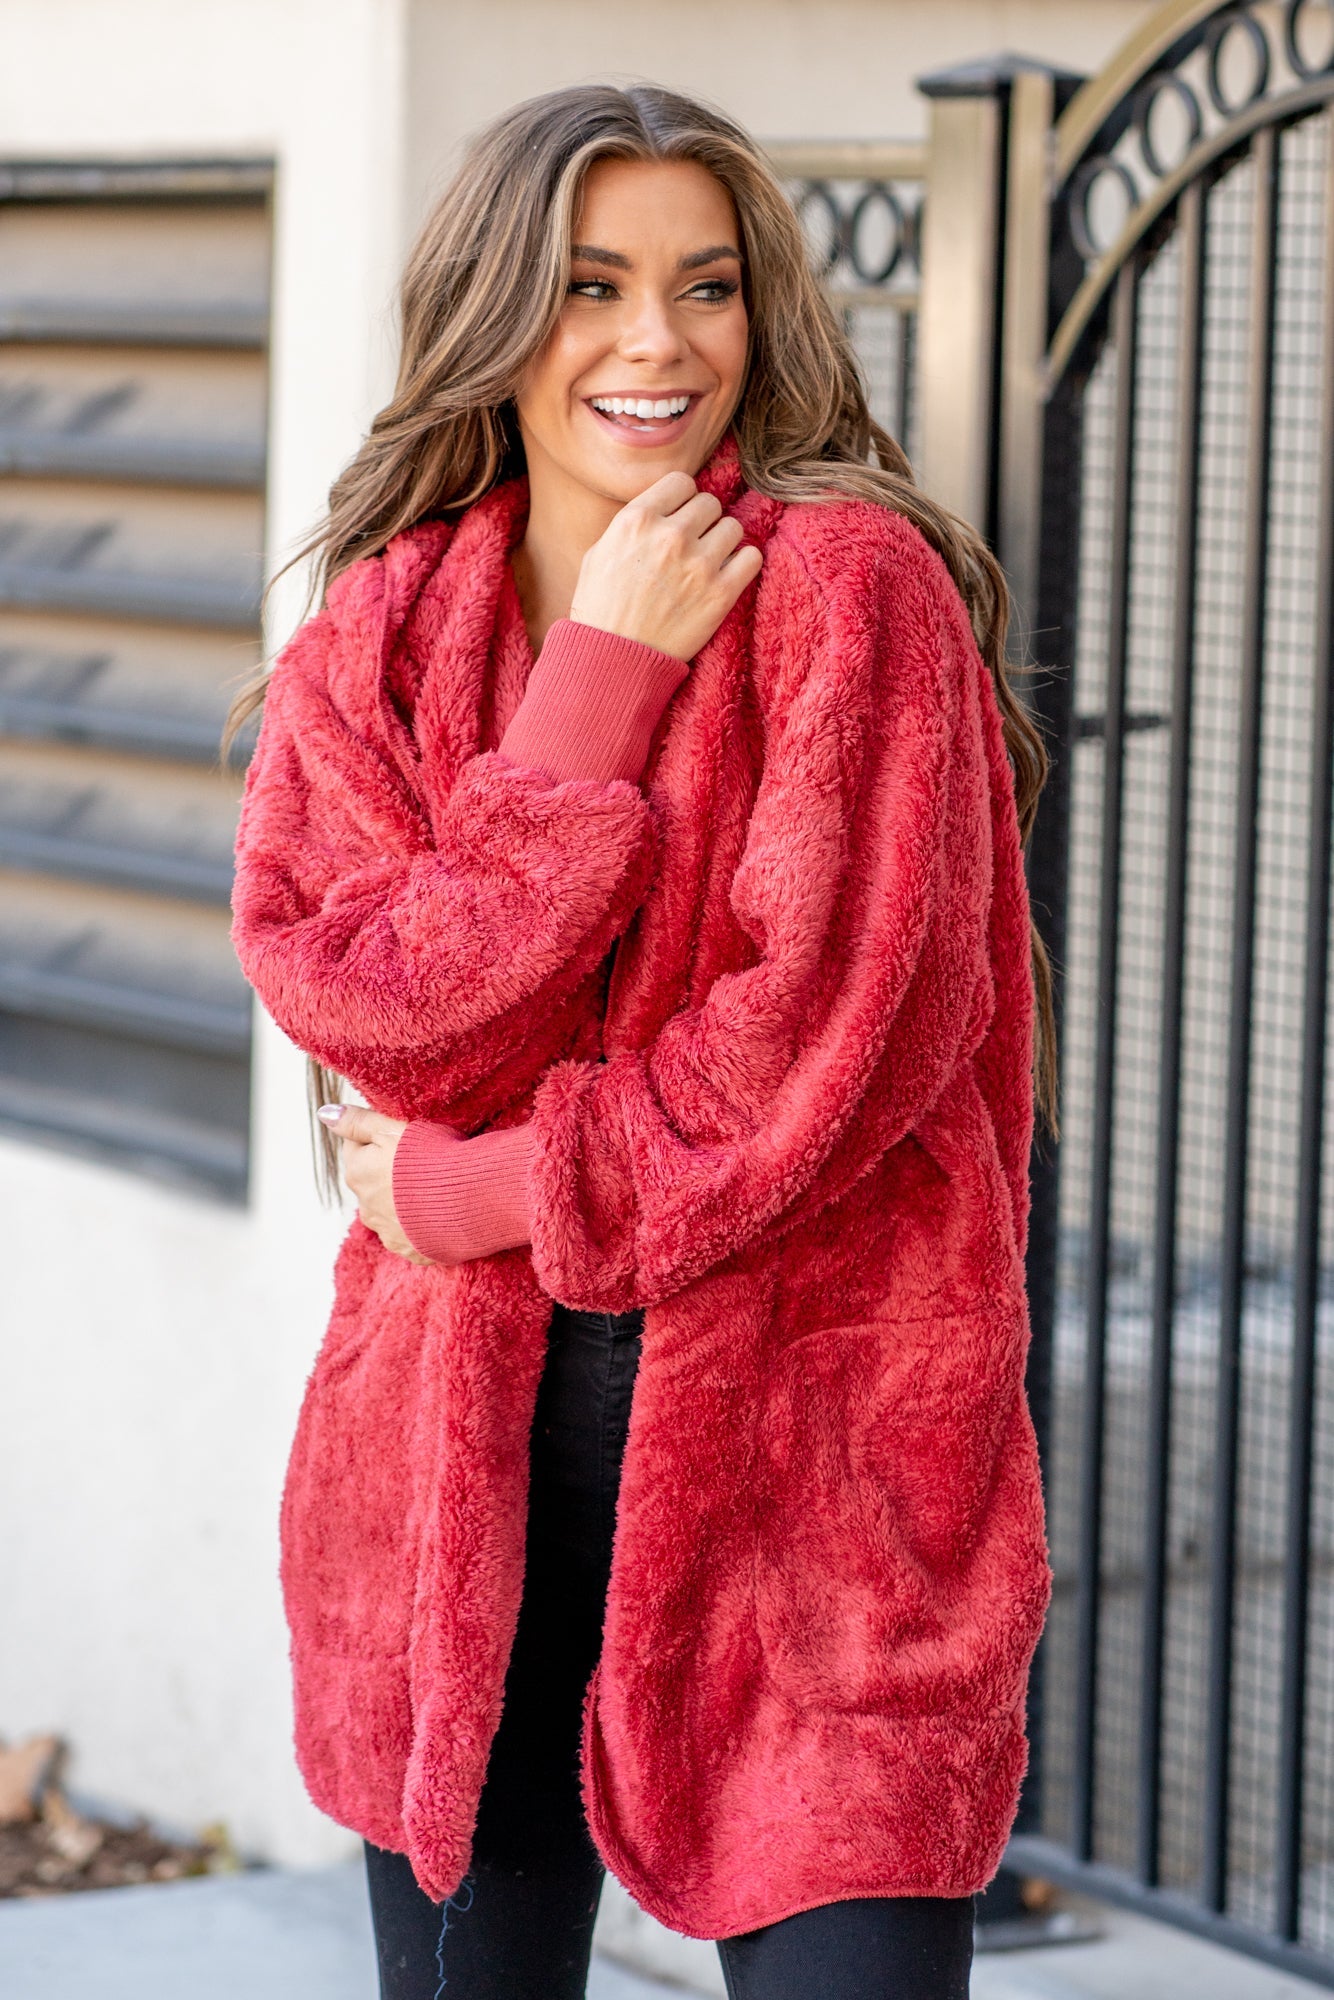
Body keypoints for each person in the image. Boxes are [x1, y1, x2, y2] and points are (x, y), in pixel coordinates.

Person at [229, 82, 1056, 2000]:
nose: (655, 343)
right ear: (495, 311)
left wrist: (492, 1184)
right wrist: (596, 687)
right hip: (448, 1467)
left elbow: (839, 1037)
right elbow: (370, 1006)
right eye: (590, 285)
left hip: (815, 1457)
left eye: (704, 286)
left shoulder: (850, 591)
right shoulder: (385, 632)